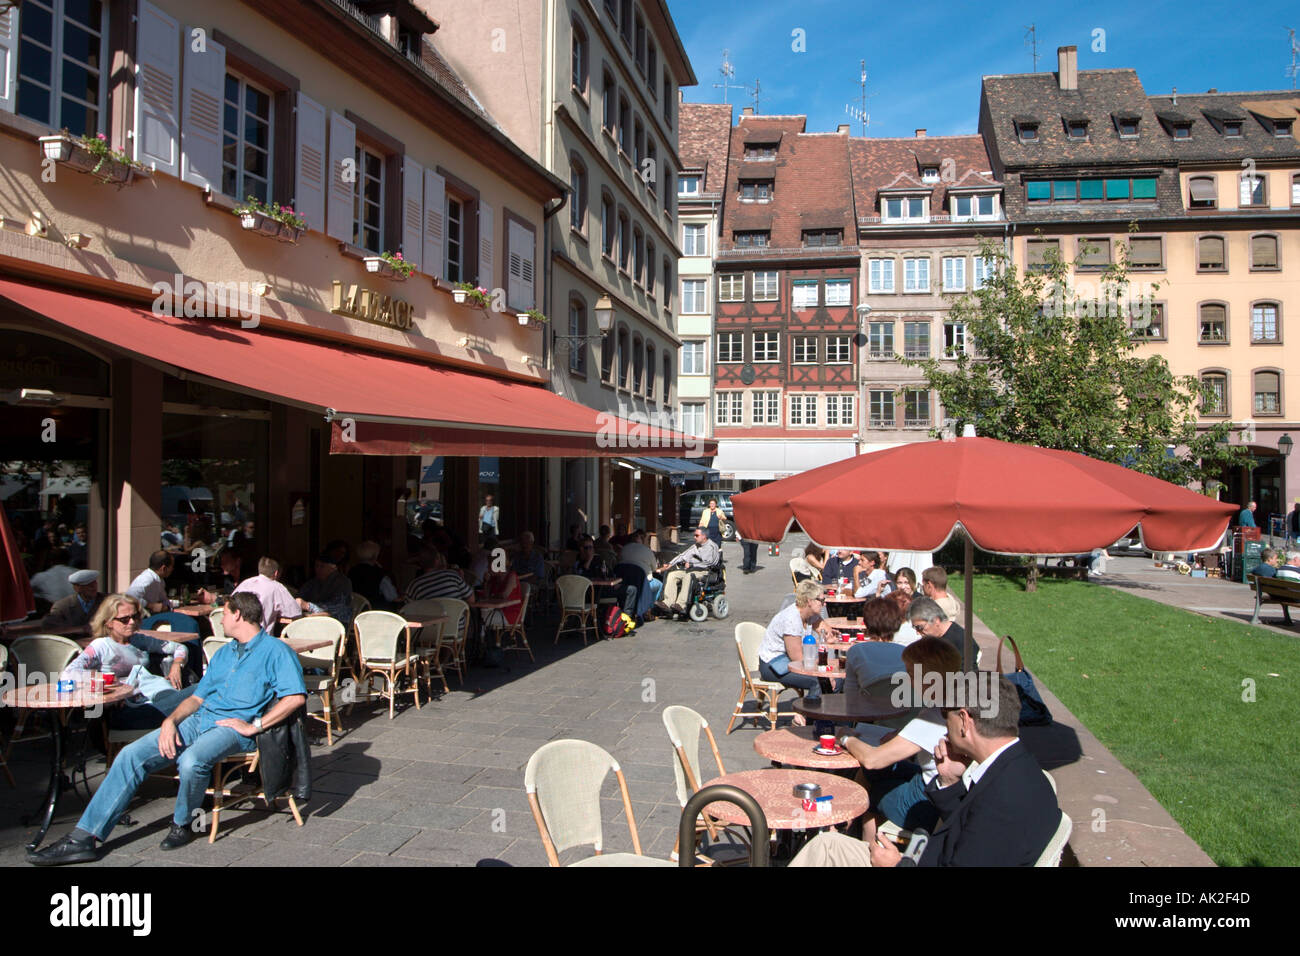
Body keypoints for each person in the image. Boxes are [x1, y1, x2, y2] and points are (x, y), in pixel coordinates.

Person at [28, 591, 306, 865]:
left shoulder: (276, 651)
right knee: (130, 755)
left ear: (237, 614)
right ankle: (83, 839)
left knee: (191, 760)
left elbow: (295, 697)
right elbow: (197, 698)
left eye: (224, 613)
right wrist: (170, 721)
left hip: (232, 728)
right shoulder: (223, 653)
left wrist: (253, 725)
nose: (218, 619)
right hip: (199, 719)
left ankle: (182, 824)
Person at [789, 675, 1060, 867]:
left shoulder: (1004, 800)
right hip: (925, 857)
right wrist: (951, 783)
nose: (945, 722)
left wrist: (897, 865)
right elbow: (973, 831)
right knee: (827, 845)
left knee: (824, 850)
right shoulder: (1020, 770)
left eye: (946, 714)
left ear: (965, 721)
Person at [836, 636, 962, 831]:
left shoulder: (933, 717)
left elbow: (873, 759)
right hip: (941, 785)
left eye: (911, 673)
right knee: (873, 773)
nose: (908, 680)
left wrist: (846, 737)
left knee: (869, 793)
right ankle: (849, 827)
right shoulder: (954, 702)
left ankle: (864, 845)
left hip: (928, 801)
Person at [62, 594, 195, 730]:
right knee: (201, 691)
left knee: (200, 695)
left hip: (153, 699)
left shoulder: (139, 640)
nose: (132, 622)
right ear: (108, 622)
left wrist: (177, 665)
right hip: (127, 710)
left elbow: (179, 647)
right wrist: (106, 681)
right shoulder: (100, 646)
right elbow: (68, 673)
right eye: (125, 619)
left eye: (135, 617)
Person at [756, 580, 840, 717]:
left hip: (788, 661)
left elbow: (825, 630)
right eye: (821, 600)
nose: (824, 604)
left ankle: (829, 715)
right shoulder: (791, 619)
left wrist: (829, 636)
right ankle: (808, 720)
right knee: (818, 681)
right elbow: (798, 657)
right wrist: (822, 673)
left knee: (837, 680)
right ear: (809, 601)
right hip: (773, 665)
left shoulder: (809, 615)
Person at [842, 598, 907, 703]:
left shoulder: (856, 651)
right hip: (901, 714)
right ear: (898, 623)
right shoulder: (907, 654)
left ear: (866, 622)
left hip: (868, 713)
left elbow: (850, 695)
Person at [654, 528, 720, 615]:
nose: (694, 537)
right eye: (694, 535)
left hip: (704, 571)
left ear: (704, 536)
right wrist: (670, 564)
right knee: (672, 575)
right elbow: (682, 556)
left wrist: (693, 565)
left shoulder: (712, 546)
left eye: (697, 535)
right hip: (691, 569)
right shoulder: (695, 546)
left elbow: (710, 563)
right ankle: (667, 603)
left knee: (688, 576)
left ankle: (681, 605)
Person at [233, 557, 304, 630]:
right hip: (261, 636)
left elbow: (230, 604)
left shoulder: (245, 583)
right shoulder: (276, 587)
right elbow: (295, 612)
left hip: (237, 634)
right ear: (276, 573)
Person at [297, 553, 354, 626]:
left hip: (337, 623)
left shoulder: (343, 582)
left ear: (333, 568)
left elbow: (337, 607)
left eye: (322, 566)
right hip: (314, 621)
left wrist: (308, 606)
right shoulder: (312, 583)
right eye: (317, 566)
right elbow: (300, 596)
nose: (318, 569)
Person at [616, 530, 662, 617]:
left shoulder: (624, 549)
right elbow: (654, 569)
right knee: (659, 584)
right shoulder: (647, 550)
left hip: (625, 582)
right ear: (642, 540)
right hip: (643, 584)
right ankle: (649, 610)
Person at [405, 549, 473, 602]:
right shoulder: (452, 576)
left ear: (418, 563)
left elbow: (408, 610)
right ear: (437, 560)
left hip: (428, 620)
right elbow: (471, 599)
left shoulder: (414, 586)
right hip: (456, 620)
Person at [349, 540, 400, 610]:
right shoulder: (379, 573)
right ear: (376, 556)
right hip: (376, 612)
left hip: (355, 610)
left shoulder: (351, 571)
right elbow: (392, 597)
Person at [126, 550, 174, 614]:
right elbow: (130, 596)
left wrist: (167, 606)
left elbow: (163, 599)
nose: (172, 569)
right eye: (171, 567)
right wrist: (151, 605)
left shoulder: (160, 581)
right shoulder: (146, 578)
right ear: (164, 568)